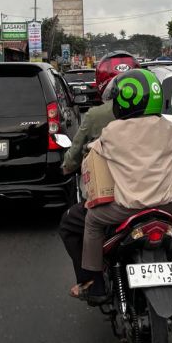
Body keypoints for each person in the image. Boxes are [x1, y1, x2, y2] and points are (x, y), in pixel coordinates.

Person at [76, 69, 172, 300]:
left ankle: (94, 282)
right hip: (168, 206)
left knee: (92, 221)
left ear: (122, 102)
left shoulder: (113, 132)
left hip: (128, 207)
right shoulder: (169, 128)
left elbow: (93, 152)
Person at [59, 51, 140, 295]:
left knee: (73, 224)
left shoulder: (97, 117)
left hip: (113, 198)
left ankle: (92, 282)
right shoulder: (155, 117)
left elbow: (73, 156)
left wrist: (66, 166)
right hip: (158, 195)